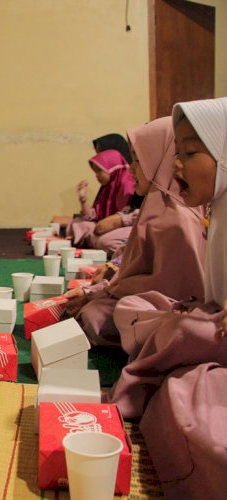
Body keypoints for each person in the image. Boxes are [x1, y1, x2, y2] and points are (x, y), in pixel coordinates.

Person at [109, 97, 227, 499]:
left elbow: (178, 280)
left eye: (191, 153)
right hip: (209, 326)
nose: (176, 166)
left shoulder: (179, 214)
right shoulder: (217, 208)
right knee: (173, 364)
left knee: (187, 403)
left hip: (209, 331)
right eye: (175, 153)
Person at [65, 117, 206, 346]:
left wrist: (102, 291)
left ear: (159, 160)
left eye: (139, 160)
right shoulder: (155, 203)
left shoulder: (178, 216)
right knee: (97, 309)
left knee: (101, 314)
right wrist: (101, 288)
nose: (130, 168)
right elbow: (135, 265)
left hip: (171, 304)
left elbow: (168, 287)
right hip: (142, 296)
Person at [67, 149, 136, 254]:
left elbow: (120, 219)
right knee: (77, 223)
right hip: (103, 227)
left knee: (104, 240)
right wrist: (83, 198)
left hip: (119, 227)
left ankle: (95, 242)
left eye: (99, 170)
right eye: (95, 171)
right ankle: (95, 242)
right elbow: (92, 216)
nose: (96, 175)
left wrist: (103, 226)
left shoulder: (127, 185)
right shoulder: (108, 187)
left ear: (112, 167)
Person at [91, 133, 145, 240]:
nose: (101, 159)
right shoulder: (111, 181)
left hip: (127, 228)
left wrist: (122, 219)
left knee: (105, 240)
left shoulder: (128, 181)